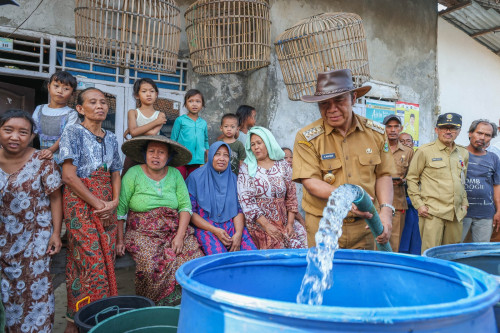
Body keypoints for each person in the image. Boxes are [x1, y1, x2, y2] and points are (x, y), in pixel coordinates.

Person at [292, 69, 395, 249]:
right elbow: (311, 181)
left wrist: (386, 211)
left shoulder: (376, 133)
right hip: (324, 225)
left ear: (353, 98)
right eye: (324, 103)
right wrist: (346, 199)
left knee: (364, 275)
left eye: (339, 101)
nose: (332, 109)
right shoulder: (307, 137)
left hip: (366, 226)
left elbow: (383, 175)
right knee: (324, 275)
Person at [59, 88, 123, 332]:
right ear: (80, 108)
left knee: (98, 261)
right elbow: (68, 177)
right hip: (80, 202)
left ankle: (73, 321)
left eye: (104, 103)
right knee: (92, 262)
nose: (100, 106)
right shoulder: (73, 132)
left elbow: (115, 171)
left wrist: (114, 202)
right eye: (93, 102)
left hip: (107, 203)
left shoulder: (112, 137)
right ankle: (94, 320)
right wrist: (98, 203)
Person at [118, 135, 203, 305]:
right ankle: (153, 307)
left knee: (193, 262)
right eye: (151, 151)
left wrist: (179, 236)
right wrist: (120, 240)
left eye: (161, 152)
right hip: (142, 232)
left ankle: (182, 306)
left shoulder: (175, 175)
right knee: (150, 267)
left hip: (174, 228)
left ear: (169, 157)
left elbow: (185, 208)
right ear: (144, 154)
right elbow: (120, 211)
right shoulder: (133, 174)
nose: (156, 156)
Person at [0, 110, 63, 332]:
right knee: (6, 298)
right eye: (8, 130)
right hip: (2, 240)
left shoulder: (43, 161)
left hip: (35, 241)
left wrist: (55, 233)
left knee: (35, 297)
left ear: (31, 136)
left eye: (22, 132)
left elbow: (56, 198)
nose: (15, 137)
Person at [407, 112, 468, 253]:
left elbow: (462, 179)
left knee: (452, 254)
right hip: (432, 213)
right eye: (444, 127)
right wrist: (419, 205)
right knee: (431, 253)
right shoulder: (424, 151)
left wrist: (464, 204)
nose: (448, 131)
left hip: (455, 214)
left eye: (452, 128)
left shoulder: (463, 153)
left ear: (459, 131)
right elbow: (412, 178)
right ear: (436, 130)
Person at [237, 126, 306, 249]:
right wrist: (267, 226)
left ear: (268, 142)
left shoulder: (283, 165)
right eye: (252, 144)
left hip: (285, 222)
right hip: (261, 225)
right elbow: (247, 202)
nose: (256, 147)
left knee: (304, 247)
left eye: (259, 142)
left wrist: (290, 223)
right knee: (278, 254)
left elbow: (291, 197)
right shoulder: (246, 168)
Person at [186, 141, 257, 254]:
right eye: (217, 154)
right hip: (207, 228)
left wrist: (238, 234)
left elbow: (238, 210)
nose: (222, 158)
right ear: (211, 156)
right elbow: (190, 212)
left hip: (232, 226)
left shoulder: (234, 179)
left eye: (226, 155)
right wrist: (215, 230)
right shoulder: (195, 178)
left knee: (251, 255)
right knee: (219, 258)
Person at [462, 119, 500, 242]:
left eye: (487, 135)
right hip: (461, 214)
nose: (482, 137)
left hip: (485, 214)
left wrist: (499, 210)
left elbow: (496, 186)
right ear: (470, 133)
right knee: (455, 250)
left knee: (480, 254)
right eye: (479, 133)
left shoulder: (493, 158)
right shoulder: (458, 154)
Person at [122, 78, 167, 175]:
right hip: (134, 151)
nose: (148, 94)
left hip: (152, 153)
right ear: (137, 95)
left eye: (152, 91)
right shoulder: (133, 112)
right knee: (127, 177)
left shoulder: (161, 115)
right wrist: (156, 122)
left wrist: (134, 130)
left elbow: (152, 133)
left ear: (156, 94)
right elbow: (134, 132)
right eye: (144, 91)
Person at [383, 115, 414, 252]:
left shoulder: (408, 152)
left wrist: (404, 181)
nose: (392, 130)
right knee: (375, 240)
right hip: (378, 202)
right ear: (384, 129)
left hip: (398, 202)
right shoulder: (377, 148)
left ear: (400, 129)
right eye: (389, 126)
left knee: (394, 243)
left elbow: (414, 176)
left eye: (396, 126)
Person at [33, 71, 79, 163]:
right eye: (56, 86)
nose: (60, 91)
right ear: (49, 86)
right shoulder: (39, 109)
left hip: (63, 160)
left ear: (72, 93)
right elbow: (32, 131)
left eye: (66, 88)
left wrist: (50, 150)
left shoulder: (71, 114)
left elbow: (66, 137)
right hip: (42, 156)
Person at [171, 89, 209, 180]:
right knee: (180, 180)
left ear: (202, 105)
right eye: (190, 101)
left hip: (197, 160)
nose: (194, 104)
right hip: (181, 158)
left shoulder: (203, 123)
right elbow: (173, 139)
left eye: (198, 101)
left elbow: (206, 140)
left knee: (193, 181)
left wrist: (207, 154)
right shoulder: (180, 120)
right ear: (185, 104)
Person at [398, 133, 421, 254]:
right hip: (400, 207)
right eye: (402, 141)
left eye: (408, 141)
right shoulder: (395, 161)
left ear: (413, 143)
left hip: (417, 208)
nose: (406, 144)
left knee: (416, 244)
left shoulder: (420, 159)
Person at [282, 147, 307, 228]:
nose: (289, 160)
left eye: (291, 157)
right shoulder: (281, 179)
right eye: (285, 158)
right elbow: (289, 203)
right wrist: (301, 220)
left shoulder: (298, 175)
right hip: (291, 219)